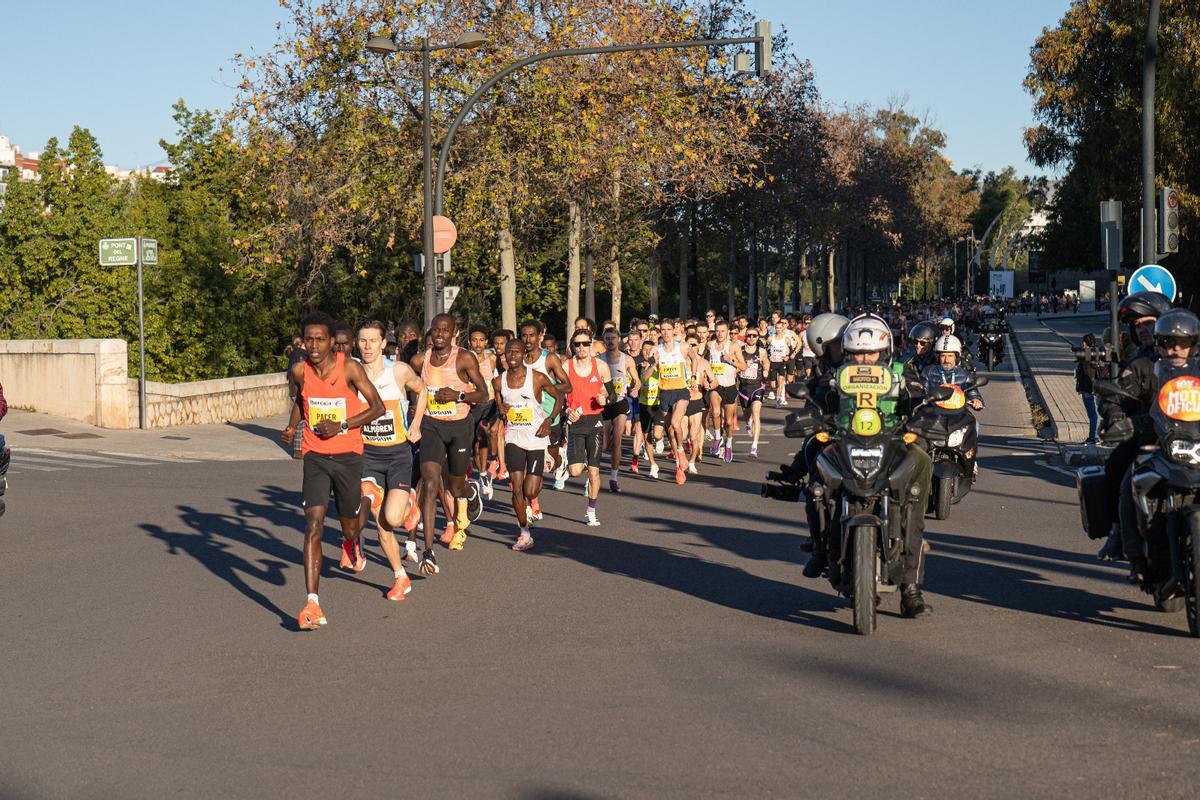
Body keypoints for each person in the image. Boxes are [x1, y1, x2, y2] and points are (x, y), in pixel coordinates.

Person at [803, 313, 933, 618]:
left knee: (922, 467)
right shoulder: (835, 375)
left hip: (894, 443)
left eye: (871, 352)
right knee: (816, 470)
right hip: (846, 441)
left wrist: (923, 417)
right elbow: (819, 400)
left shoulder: (903, 372)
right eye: (858, 352)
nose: (865, 358)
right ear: (848, 353)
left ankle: (911, 589)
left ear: (884, 351)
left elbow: (918, 399)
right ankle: (820, 546)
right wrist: (812, 412)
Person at [282, 312, 386, 630]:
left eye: (320, 339)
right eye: (309, 339)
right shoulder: (301, 370)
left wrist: (340, 424)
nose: (314, 345)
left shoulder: (349, 367)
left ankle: (369, 499)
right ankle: (312, 603)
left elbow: (377, 407)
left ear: (331, 341)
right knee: (313, 525)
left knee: (351, 528)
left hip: (348, 457)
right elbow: (303, 399)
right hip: (315, 457)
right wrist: (292, 425)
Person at [410, 314, 490, 573]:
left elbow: (484, 394)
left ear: (455, 332)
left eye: (445, 330)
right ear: (431, 332)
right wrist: (414, 422)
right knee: (431, 484)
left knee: (455, 486)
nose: (440, 334)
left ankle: (470, 492)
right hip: (432, 426)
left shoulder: (465, 358)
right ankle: (429, 552)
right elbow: (418, 391)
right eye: (436, 330)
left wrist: (459, 394)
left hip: (458, 427)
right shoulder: (421, 360)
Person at [1097, 291, 1173, 563]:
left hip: (1188, 436)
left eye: (1149, 323)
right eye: (1137, 325)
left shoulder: (1190, 361)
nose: (1142, 329)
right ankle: (1119, 535)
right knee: (1119, 472)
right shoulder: (1138, 364)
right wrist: (1116, 417)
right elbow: (1115, 396)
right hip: (1148, 437)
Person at [354, 320, 426, 601]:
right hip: (368, 454)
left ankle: (408, 502)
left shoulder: (398, 370)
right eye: (362, 341)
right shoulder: (354, 373)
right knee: (380, 523)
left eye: (373, 341)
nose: (367, 346)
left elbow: (423, 392)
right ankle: (400, 576)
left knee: (392, 518)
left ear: (384, 343)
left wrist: (416, 424)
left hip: (397, 454)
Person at [494, 338, 562, 551]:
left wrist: (549, 421)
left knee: (530, 491)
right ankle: (524, 533)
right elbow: (500, 408)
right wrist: (501, 410)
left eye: (516, 352)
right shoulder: (498, 382)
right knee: (516, 489)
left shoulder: (538, 378)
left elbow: (559, 397)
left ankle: (556, 458)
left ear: (524, 354)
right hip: (514, 437)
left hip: (536, 437)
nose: (512, 356)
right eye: (508, 352)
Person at [564, 330, 614, 525]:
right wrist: (567, 410)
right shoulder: (566, 367)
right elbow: (558, 397)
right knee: (575, 471)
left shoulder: (601, 367)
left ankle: (591, 510)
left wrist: (605, 398)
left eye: (585, 343)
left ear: (591, 344)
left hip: (594, 421)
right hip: (576, 421)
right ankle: (576, 462)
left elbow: (612, 395)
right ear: (573, 346)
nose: (582, 347)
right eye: (578, 344)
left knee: (594, 472)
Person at [654, 319, 693, 484]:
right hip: (664, 394)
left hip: (681, 392)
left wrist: (695, 376)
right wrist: (651, 365)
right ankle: (679, 461)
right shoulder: (656, 350)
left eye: (668, 329)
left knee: (676, 424)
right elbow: (649, 372)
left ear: (674, 330)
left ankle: (681, 453)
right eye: (662, 330)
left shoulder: (682, 347)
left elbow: (695, 358)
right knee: (665, 432)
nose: (666, 332)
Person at [601, 327, 639, 493]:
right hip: (603, 405)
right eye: (607, 338)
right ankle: (592, 473)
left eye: (613, 338)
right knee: (603, 445)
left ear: (618, 340)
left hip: (620, 403)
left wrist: (635, 388)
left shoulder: (627, 360)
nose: (610, 341)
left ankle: (613, 478)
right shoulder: (599, 360)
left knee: (617, 440)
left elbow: (637, 381)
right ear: (604, 341)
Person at [706, 319, 746, 463]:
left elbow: (743, 366)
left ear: (728, 332)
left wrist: (730, 360)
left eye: (723, 331)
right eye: (717, 331)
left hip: (729, 387)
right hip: (715, 386)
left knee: (728, 422)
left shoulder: (733, 346)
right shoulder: (710, 345)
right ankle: (718, 438)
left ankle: (728, 444)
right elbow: (704, 363)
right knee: (716, 412)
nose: (720, 334)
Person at [737, 328, 770, 459]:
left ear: (757, 338)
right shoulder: (740, 351)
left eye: (754, 336)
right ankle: (748, 422)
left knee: (756, 412)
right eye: (749, 335)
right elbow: (735, 365)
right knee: (746, 414)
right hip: (744, 388)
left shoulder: (761, 351)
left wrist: (766, 370)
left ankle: (754, 447)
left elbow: (766, 362)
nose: (751, 338)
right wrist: (744, 364)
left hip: (758, 386)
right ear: (745, 337)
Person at [1075, 333, 1100, 445]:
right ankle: (1095, 437)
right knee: (1095, 414)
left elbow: (1087, 373)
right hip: (1093, 389)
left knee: (1092, 415)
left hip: (1088, 389)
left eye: (1084, 342)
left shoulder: (1087, 355)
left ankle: (1093, 438)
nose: (1082, 344)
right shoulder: (1096, 353)